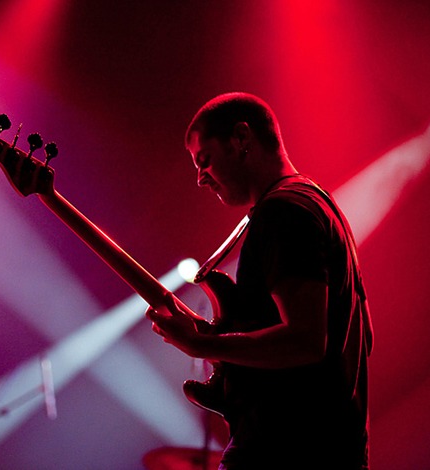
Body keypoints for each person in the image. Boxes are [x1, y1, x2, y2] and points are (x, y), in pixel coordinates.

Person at [146, 92, 373, 469]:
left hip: (284, 450)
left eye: (204, 160)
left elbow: (305, 340)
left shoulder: (283, 211)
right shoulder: (318, 205)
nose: (201, 178)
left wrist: (201, 344)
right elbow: (361, 334)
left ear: (240, 138)